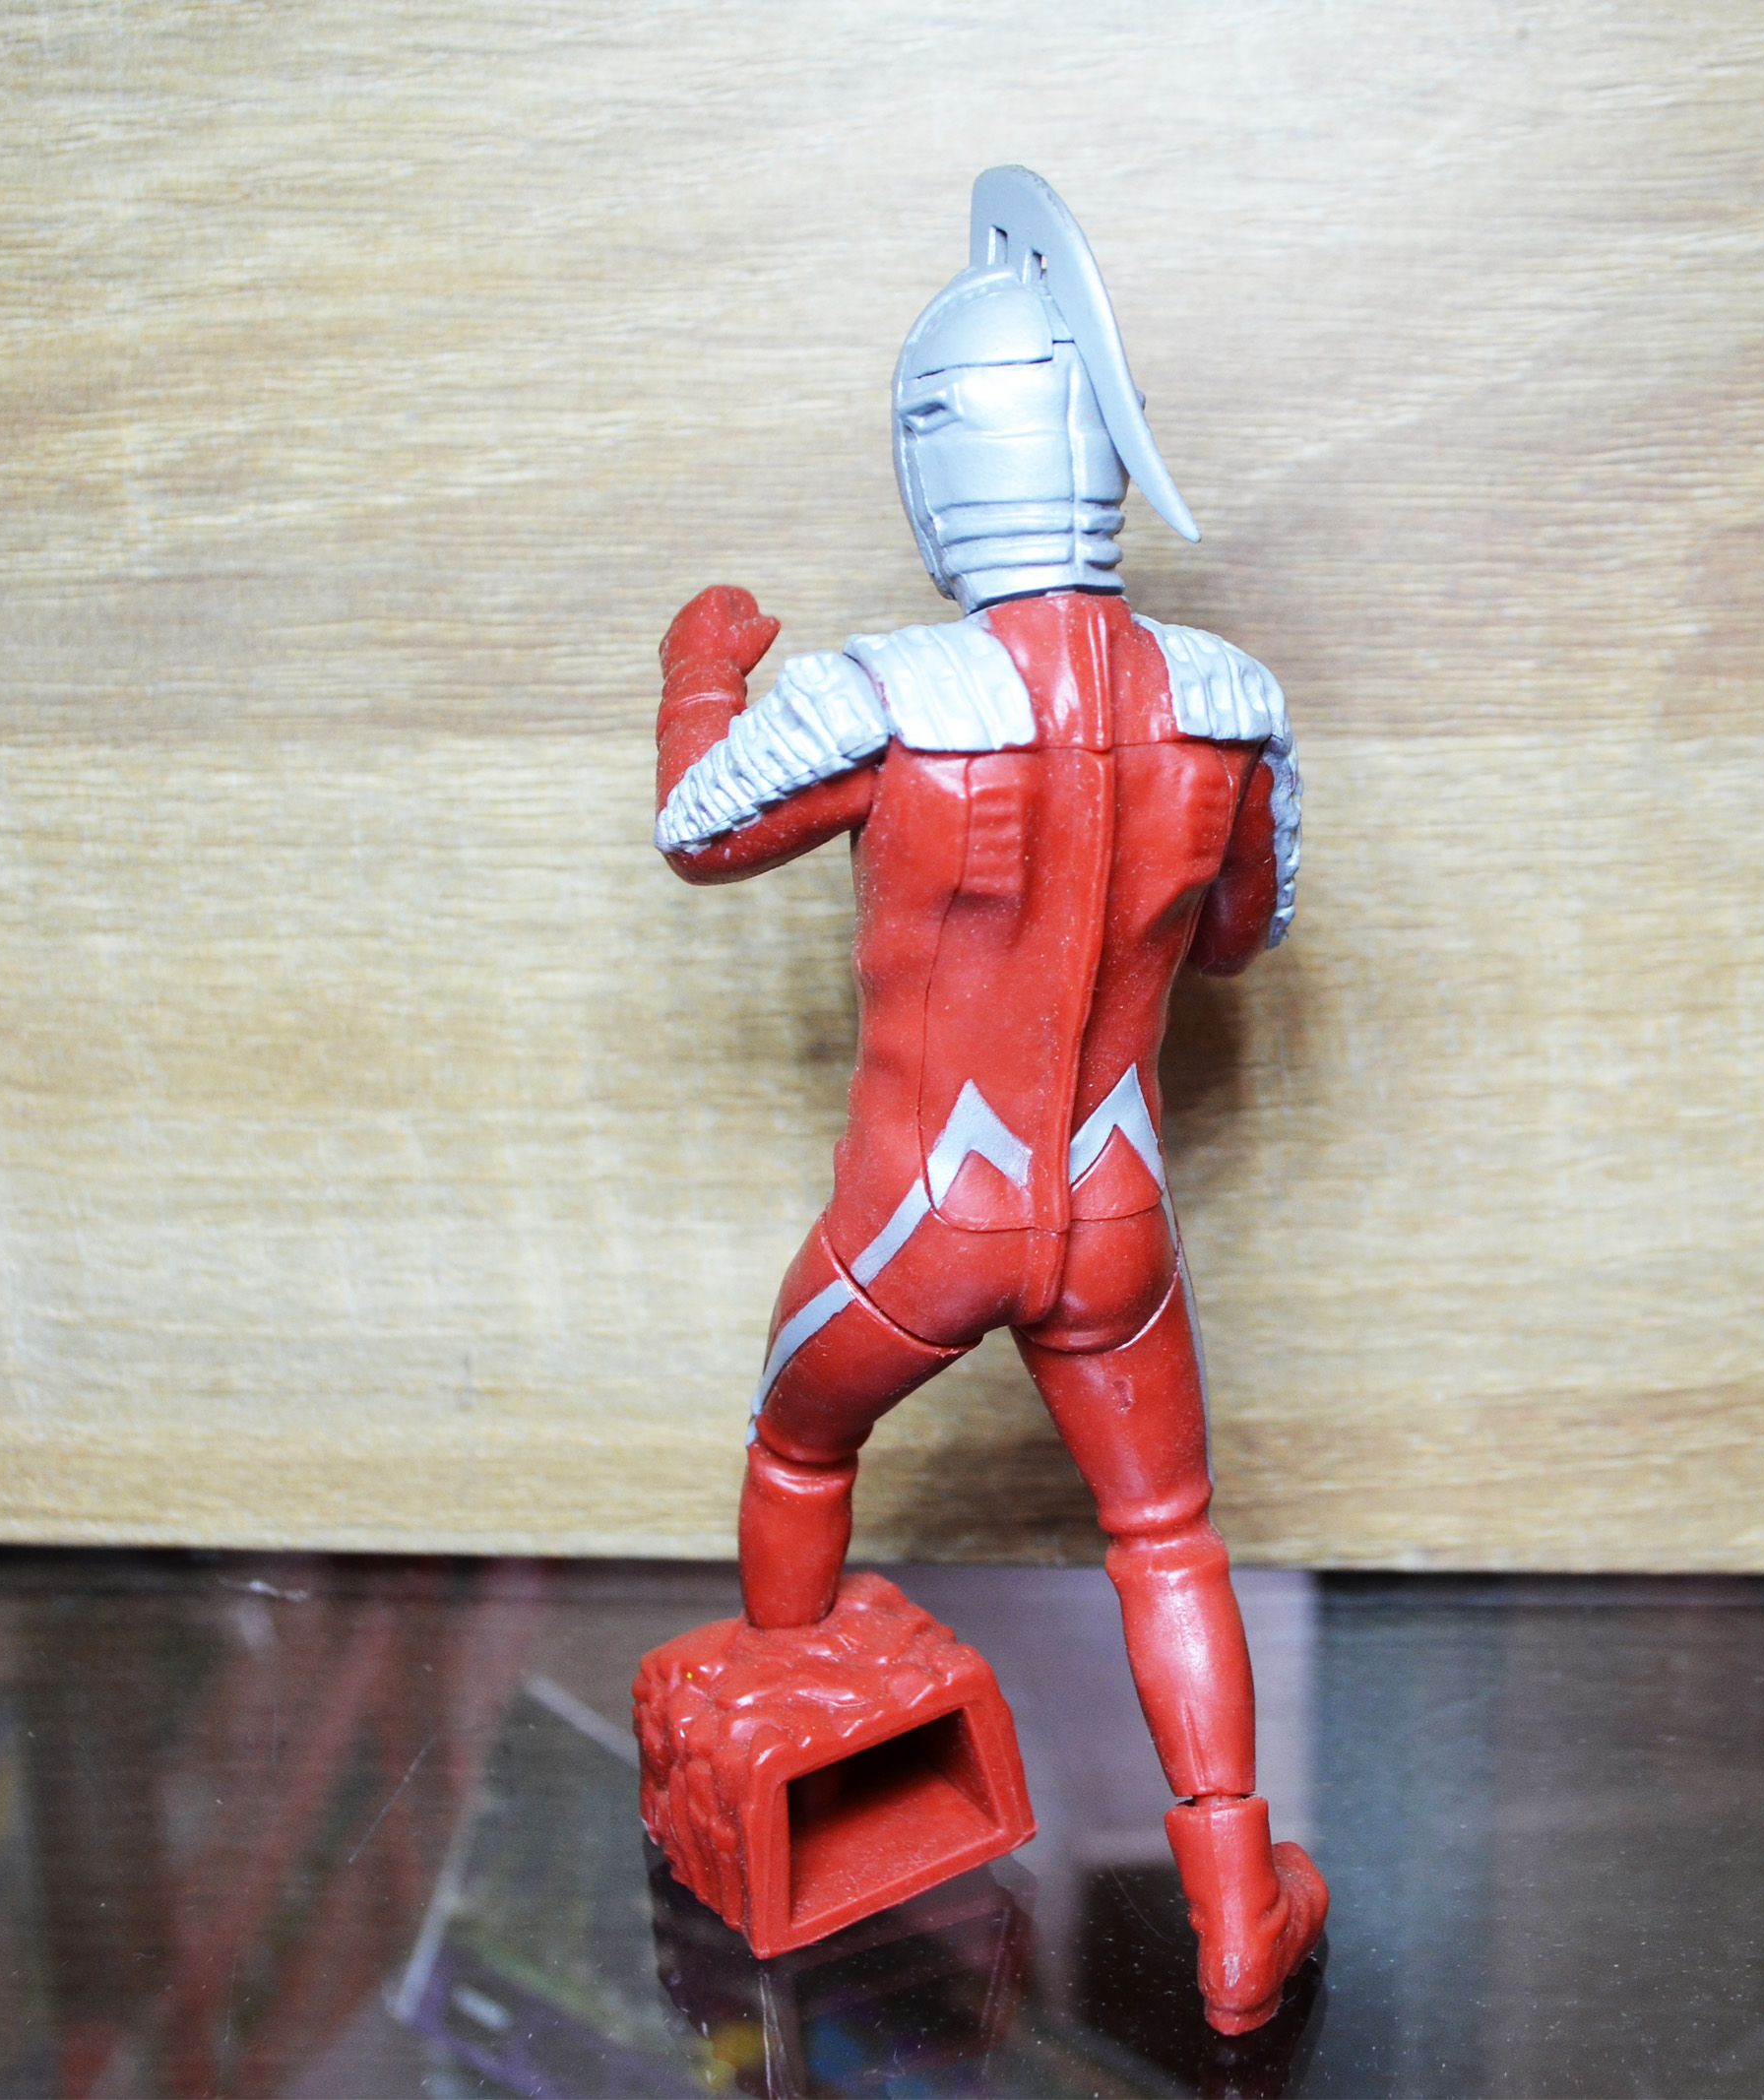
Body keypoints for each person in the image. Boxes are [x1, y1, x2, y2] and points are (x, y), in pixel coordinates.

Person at [653, 167, 1323, 2036]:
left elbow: (698, 826)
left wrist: (696, 674)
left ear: (938, 462)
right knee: (1168, 1536)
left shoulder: (887, 692)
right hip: (1111, 1209)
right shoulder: (1225, 695)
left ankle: (799, 1721)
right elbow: (1242, 938)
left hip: (922, 1217)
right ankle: (1233, 1912)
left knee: (799, 1447)